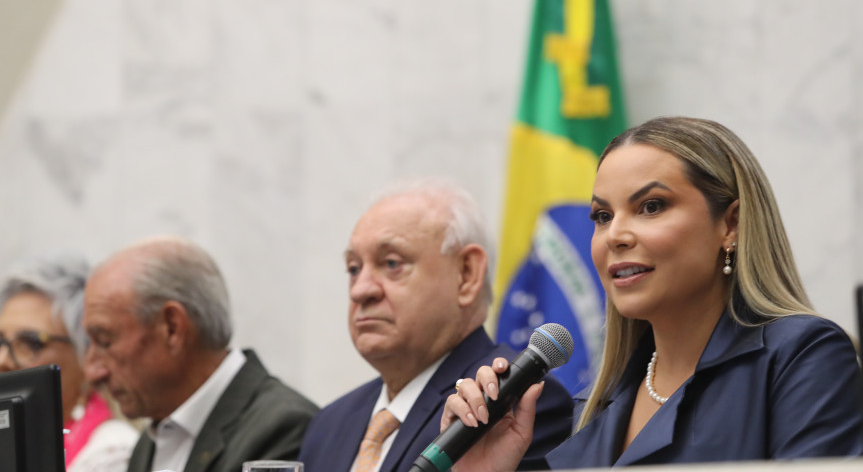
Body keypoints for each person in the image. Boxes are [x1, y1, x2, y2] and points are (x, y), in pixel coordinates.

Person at [444, 116, 863, 470]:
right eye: (603, 216)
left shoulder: (802, 356)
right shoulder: (594, 406)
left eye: (651, 206)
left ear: (730, 225)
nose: (615, 236)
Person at [299, 178, 574, 472]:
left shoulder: (510, 404)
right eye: (354, 269)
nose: (360, 290)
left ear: (466, 274)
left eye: (391, 263)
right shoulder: (327, 426)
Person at [82, 236, 319, 472]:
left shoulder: (282, 427)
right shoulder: (151, 440)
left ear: (172, 328)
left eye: (105, 342)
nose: (93, 372)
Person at [0, 253, 138, 472]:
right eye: (1, 341)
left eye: (30, 343)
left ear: (88, 358)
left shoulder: (113, 455)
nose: (3, 360)